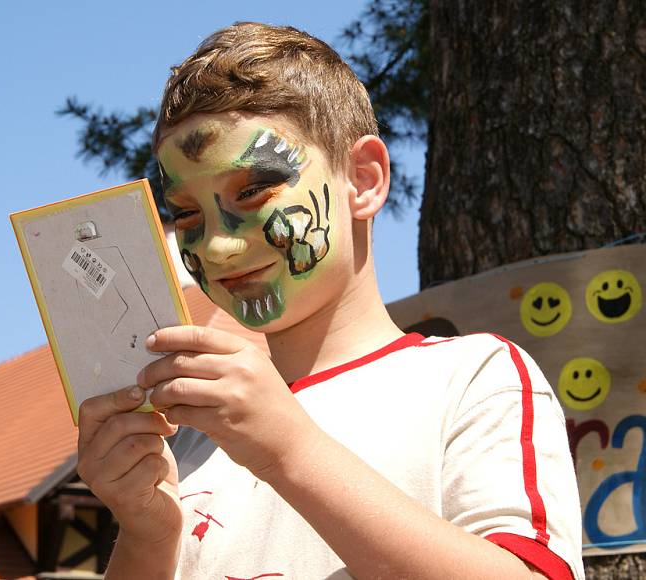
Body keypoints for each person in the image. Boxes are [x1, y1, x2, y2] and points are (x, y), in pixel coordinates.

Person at [76, 22, 584, 580]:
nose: (217, 247)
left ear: (363, 179)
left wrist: (289, 450)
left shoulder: (473, 378)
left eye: (251, 191)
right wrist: (148, 535)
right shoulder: (185, 440)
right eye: (188, 213)